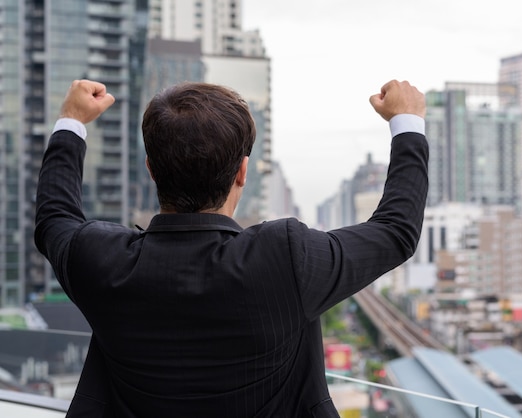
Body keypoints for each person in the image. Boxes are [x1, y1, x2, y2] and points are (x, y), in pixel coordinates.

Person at [35, 78, 428, 417]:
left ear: (151, 169)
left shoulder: (100, 260)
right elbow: (395, 231)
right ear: (242, 172)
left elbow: (55, 217)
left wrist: (72, 122)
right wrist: (406, 121)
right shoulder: (286, 259)